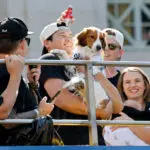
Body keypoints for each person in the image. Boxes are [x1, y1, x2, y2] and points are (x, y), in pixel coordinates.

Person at [39, 19, 123, 145]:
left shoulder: (82, 62)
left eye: (70, 36)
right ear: (47, 43)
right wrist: (101, 111)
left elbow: (117, 106)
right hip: (66, 139)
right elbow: (63, 99)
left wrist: (92, 72)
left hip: (92, 138)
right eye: (62, 36)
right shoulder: (50, 59)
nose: (69, 39)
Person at [0, 17, 54, 145]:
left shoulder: (10, 69)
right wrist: (39, 112)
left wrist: (32, 85)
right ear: (22, 44)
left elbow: (21, 107)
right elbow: (6, 119)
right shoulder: (8, 72)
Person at [103, 67, 150, 146]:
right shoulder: (116, 109)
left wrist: (130, 123)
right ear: (123, 88)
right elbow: (106, 135)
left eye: (137, 81)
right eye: (128, 82)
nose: (133, 85)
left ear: (145, 85)